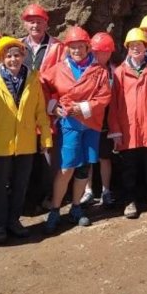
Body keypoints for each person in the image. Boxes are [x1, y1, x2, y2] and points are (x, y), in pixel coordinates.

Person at [0, 37, 53, 244]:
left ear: (23, 56)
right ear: (1, 58)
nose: (13, 59)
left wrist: (45, 138)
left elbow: (40, 111)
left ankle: (14, 221)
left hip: (25, 142)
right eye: (8, 56)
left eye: (17, 55)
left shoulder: (32, 78)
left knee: (21, 184)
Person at [43, 26, 112, 232]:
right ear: (67, 48)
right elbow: (42, 86)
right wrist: (53, 106)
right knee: (66, 168)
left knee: (84, 168)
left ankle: (76, 207)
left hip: (91, 125)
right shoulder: (58, 68)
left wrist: (81, 107)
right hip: (69, 125)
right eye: (73, 47)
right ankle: (55, 210)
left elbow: (104, 97)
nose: (77, 51)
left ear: (87, 47)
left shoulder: (99, 71)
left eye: (80, 47)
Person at [108, 28, 147, 219]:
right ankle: (130, 200)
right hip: (128, 128)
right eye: (132, 45)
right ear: (127, 48)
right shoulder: (119, 73)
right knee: (129, 166)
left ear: (146, 47)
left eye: (140, 45)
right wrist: (115, 131)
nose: (136, 48)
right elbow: (114, 104)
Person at [19, 4, 58, 212]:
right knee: (26, 155)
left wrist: (54, 102)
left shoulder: (57, 46)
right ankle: (28, 200)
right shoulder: (16, 47)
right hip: (23, 110)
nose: (35, 25)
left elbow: (64, 77)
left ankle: (47, 196)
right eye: (31, 21)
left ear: (46, 23)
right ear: (25, 24)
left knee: (47, 155)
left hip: (48, 110)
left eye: (39, 21)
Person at [79, 32, 118, 207]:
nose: (97, 55)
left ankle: (106, 191)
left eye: (102, 51)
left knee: (104, 157)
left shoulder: (114, 71)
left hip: (105, 121)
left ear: (109, 52)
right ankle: (88, 191)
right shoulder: (85, 69)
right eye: (95, 51)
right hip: (88, 118)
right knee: (88, 157)